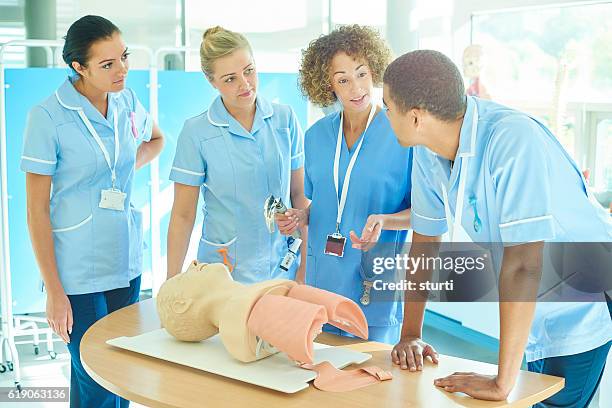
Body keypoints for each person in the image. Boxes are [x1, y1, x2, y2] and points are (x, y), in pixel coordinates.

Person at [383, 49, 612, 406]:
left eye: (387, 107)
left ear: (414, 117)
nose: (384, 115)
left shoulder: (512, 140)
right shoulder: (428, 150)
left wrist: (502, 382)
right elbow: (425, 244)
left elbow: (524, 262)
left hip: (582, 302)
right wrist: (410, 334)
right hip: (534, 309)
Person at [21, 15, 164, 408]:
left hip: (124, 259)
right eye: (107, 64)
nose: (121, 70)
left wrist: (120, 167)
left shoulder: (129, 101)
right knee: (97, 378)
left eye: (124, 57)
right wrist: (53, 291)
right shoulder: (47, 117)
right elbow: (35, 211)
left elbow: (156, 139)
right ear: (78, 67)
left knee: (120, 373)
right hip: (76, 269)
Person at [276, 25, 412, 344]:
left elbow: (429, 213)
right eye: (343, 79)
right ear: (328, 85)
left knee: (371, 383)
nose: (356, 88)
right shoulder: (316, 136)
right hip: (323, 281)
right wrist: (301, 216)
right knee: (319, 380)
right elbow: (322, 203)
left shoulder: (403, 135)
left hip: (374, 281)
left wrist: (386, 221)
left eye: (362, 74)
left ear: (374, 70)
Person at [167, 26, 308, 283]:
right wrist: (170, 282)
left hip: (282, 265)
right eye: (230, 78)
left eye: (249, 71)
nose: (245, 84)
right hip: (223, 273)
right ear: (212, 81)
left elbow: (299, 196)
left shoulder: (285, 119)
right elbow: (183, 215)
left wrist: (305, 268)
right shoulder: (197, 131)